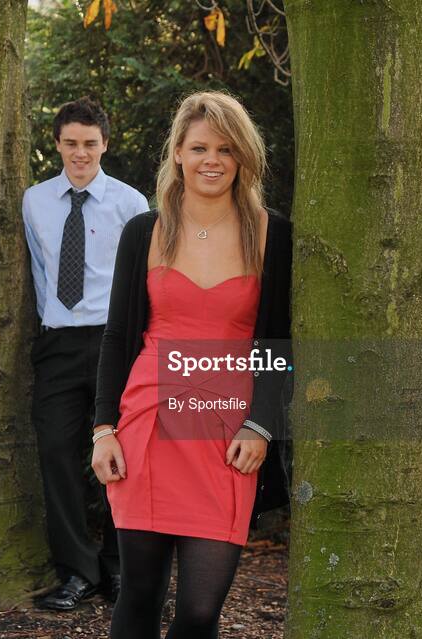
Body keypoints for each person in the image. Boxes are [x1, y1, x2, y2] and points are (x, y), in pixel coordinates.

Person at [91, 91, 292, 639]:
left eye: (226, 149)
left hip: (228, 431)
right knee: (139, 595)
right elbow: (117, 337)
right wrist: (104, 429)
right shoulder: (144, 231)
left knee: (201, 611)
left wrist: (262, 424)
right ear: (178, 153)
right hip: (147, 423)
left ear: (243, 157)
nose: (212, 160)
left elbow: (281, 343)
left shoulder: (272, 233)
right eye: (200, 147)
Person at [22, 97, 149, 609]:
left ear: (105, 145)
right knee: (55, 451)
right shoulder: (34, 201)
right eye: (71, 143)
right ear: (57, 143)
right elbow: (38, 270)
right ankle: (77, 572)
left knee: (123, 455)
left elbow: (143, 280)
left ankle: (119, 568)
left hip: (113, 342)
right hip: (57, 343)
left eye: (90, 144)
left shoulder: (130, 203)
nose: (80, 153)